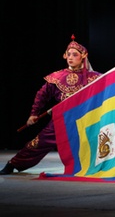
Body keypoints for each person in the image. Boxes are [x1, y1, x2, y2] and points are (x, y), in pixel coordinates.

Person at [0, 36, 102, 175]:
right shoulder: (57, 77)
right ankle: (13, 164)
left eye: (75, 55)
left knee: (93, 143)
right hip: (62, 119)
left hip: (85, 118)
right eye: (69, 54)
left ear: (83, 57)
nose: (70, 58)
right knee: (38, 143)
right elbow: (41, 95)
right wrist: (34, 114)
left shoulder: (93, 77)